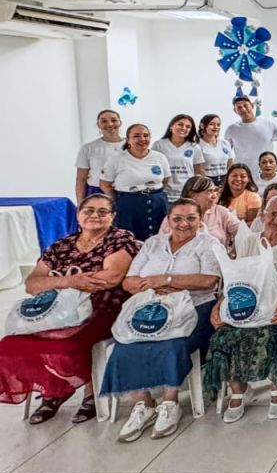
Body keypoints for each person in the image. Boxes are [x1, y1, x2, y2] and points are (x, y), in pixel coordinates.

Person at [0, 195, 138, 424]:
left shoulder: (120, 239)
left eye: (103, 212)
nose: (95, 215)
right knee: (10, 345)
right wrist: (72, 281)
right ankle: (53, 389)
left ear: (112, 216)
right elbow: (32, 283)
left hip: (103, 308)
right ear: (78, 214)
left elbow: (110, 278)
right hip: (53, 312)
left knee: (67, 344)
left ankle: (89, 393)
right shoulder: (60, 245)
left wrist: (55, 279)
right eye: (89, 210)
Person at [102, 199, 221, 442]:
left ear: (200, 220)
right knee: (124, 344)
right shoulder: (153, 244)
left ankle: (170, 402)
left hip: (194, 307)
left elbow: (209, 281)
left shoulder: (208, 244)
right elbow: (129, 281)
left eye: (190, 218)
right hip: (149, 306)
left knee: (171, 342)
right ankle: (143, 403)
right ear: (168, 220)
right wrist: (152, 286)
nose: (183, 224)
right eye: (177, 218)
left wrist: (165, 280)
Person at [203, 195, 277, 422]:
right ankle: (238, 390)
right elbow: (236, 278)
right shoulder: (249, 241)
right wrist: (220, 304)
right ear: (263, 216)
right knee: (225, 334)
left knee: (274, 332)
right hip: (250, 304)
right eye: (273, 213)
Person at [100, 123, 171, 242]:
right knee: (130, 241)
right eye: (136, 136)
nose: (142, 139)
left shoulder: (159, 157)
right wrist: (119, 200)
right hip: (128, 205)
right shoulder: (116, 159)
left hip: (158, 203)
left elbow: (165, 179)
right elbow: (105, 184)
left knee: (161, 238)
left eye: (146, 135)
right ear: (128, 139)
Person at [159, 175, 240, 246]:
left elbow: (241, 232)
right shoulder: (173, 218)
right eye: (209, 191)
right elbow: (162, 246)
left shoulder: (220, 212)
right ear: (194, 196)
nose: (215, 196)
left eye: (215, 191)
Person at [152, 114, 205, 202]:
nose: (184, 128)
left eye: (188, 126)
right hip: (164, 193)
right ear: (171, 126)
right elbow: (152, 169)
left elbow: (198, 173)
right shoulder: (159, 145)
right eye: (180, 124)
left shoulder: (194, 147)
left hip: (186, 194)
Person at [75, 109, 124, 202]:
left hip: (126, 192)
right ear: (98, 125)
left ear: (120, 122)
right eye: (104, 121)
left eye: (113, 120)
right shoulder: (88, 148)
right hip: (97, 193)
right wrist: (80, 204)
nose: (110, 124)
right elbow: (81, 179)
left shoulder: (131, 145)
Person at [224, 95, 276, 175]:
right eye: (239, 107)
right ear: (235, 110)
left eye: (245, 105)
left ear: (251, 105)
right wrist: (229, 170)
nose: (243, 109)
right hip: (243, 173)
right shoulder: (231, 129)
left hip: (265, 171)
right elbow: (226, 152)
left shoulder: (268, 125)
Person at [197, 114, 234, 187]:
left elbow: (230, 164)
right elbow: (198, 170)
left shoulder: (225, 143)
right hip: (207, 181)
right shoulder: (197, 145)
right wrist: (209, 185)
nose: (216, 127)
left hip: (225, 180)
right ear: (202, 126)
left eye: (218, 125)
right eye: (212, 124)